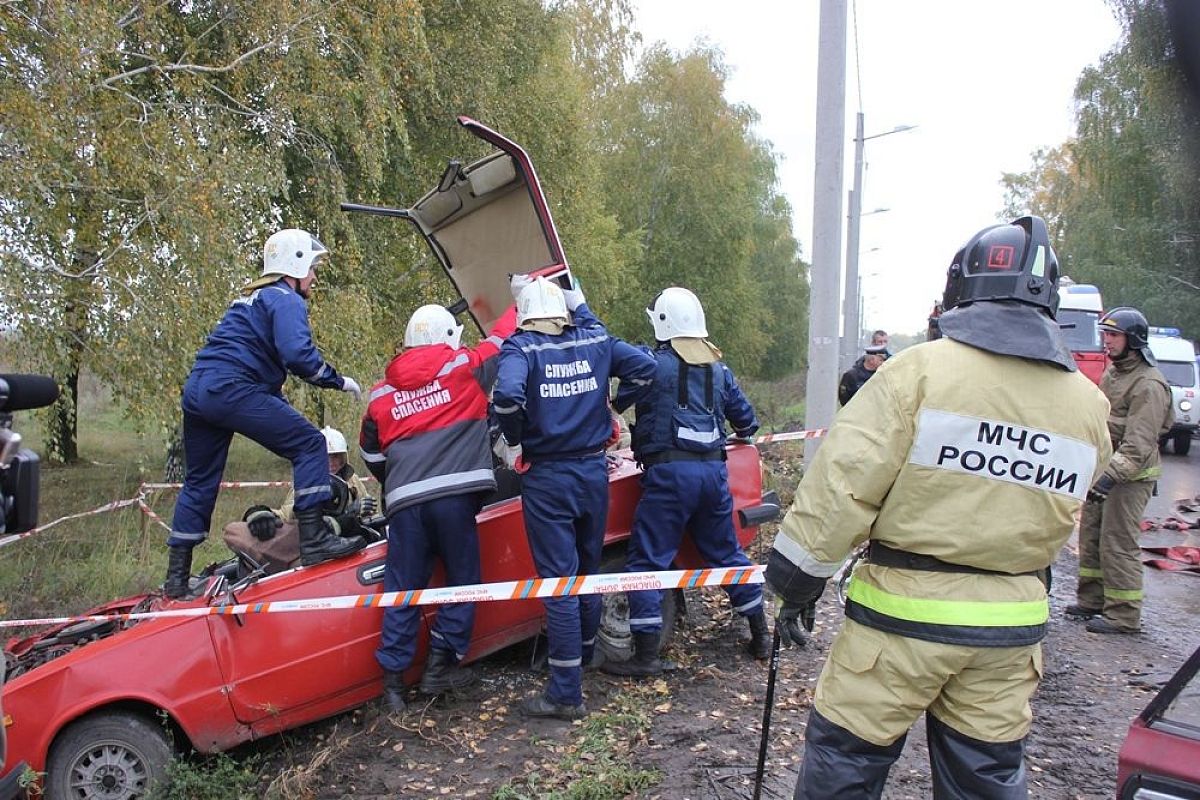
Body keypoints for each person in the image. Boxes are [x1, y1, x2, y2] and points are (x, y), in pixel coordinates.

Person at [765, 215, 1111, 799]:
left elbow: (841, 490)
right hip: (1008, 636)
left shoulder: (917, 372)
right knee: (986, 780)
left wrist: (797, 584)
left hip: (898, 627)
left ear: (962, 288)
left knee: (845, 767)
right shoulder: (1089, 405)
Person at [165, 229, 366, 599]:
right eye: (313, 268)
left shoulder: (249, 301)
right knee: (310, 444)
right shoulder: (285, 299)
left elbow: (254, 365)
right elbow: (298, 356)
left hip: (200, 390)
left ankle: (176, 579)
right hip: (231, 388)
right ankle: (315, 540)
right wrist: (338, 381)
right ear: (297, 264)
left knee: (199, 481)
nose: (315, 278)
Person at [492, 276, 656, 720]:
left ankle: (566, 693)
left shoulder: (522, 348)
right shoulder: (595, 339)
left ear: (523, 313)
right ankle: (583, 656)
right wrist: (617, 407)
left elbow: (507, 396)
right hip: (591, 473)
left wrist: (515, 439)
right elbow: (647, 367)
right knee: (586, 572)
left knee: (560, 583)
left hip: (548, 477)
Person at [360, 301, 517, 712]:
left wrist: (399, 482)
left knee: (402, 592)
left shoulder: (380, 393)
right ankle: (440, 666)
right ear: (448, 337)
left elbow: (371, 455)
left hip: (405, 505)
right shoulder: (463, 367)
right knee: (464, 580)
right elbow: (500, 342)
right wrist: (523, 296)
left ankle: (393, 687)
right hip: (454, 498)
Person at [604, 287, 763, 677]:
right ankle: (761, 633)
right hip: (713, 474)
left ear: (662, 323)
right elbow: (747, 423)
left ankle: (645, 657)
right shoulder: (719, 369)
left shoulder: (650, 365)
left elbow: (615, 405)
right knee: (725, 554)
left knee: (647, 561)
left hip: (669, 477)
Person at [1067, 306, 1172, 635]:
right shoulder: (1115, 373)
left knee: (1118, 542)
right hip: (1105, 472)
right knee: (1092, 536)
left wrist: (1112, 475)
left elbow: (1140, 442)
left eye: (1113, 335)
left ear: (1134, 340)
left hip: (1130, 478)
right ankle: (1092, 601)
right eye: (1105, 334)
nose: (1106, 341)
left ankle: (1124, 615)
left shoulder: (1149, 385)